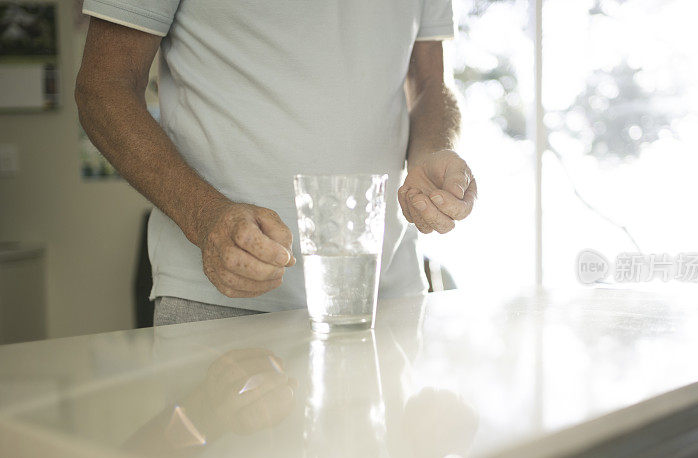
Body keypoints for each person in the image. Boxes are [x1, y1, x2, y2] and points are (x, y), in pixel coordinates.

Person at [76, 1, 477, 326]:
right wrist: (205, 217)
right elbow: (103, 88)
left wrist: (430, 151)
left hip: (390, 297)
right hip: (221, 301)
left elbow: (428, 84)